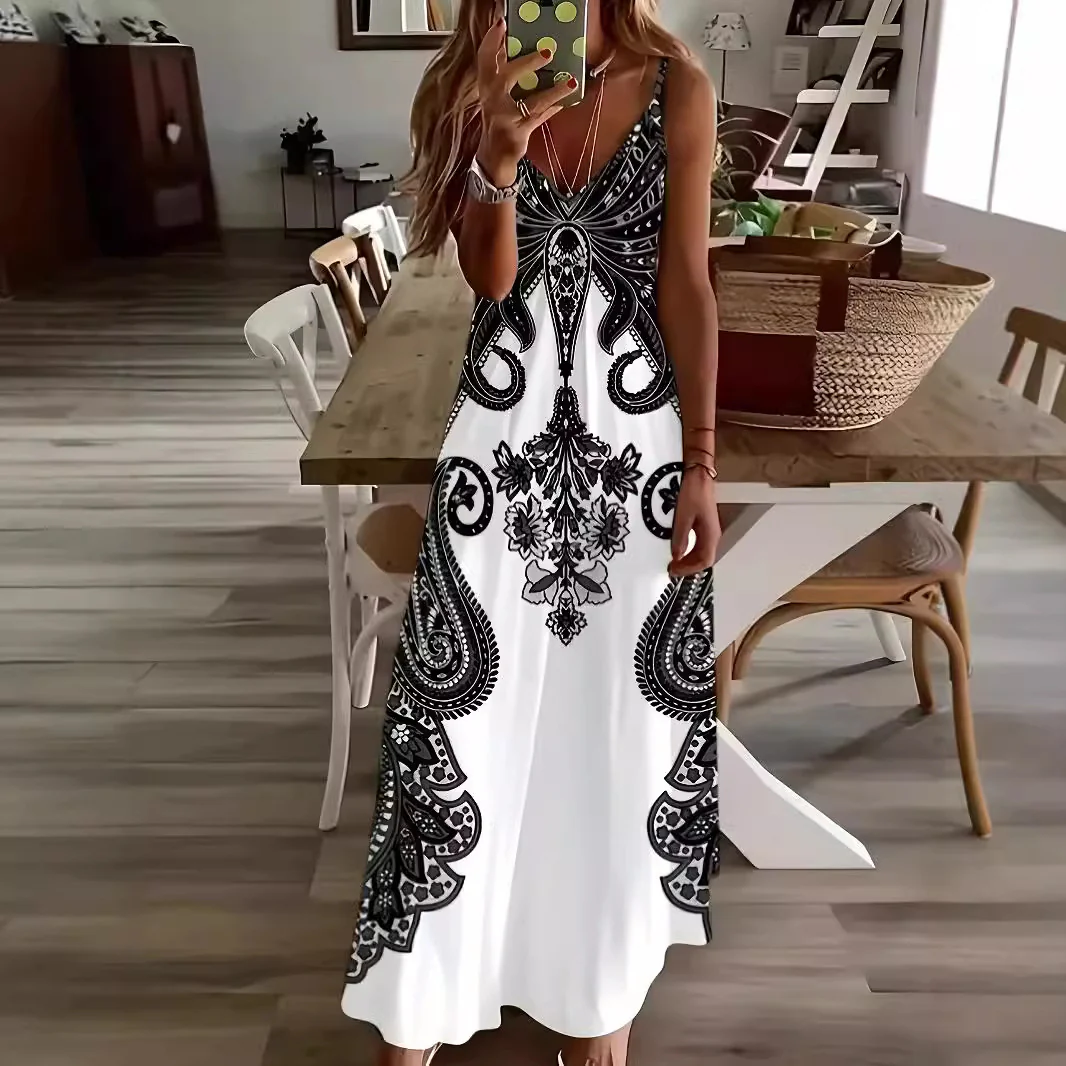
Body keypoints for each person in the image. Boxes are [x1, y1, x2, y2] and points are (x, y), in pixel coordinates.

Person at [342, 2, 721, 1063]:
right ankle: (422, 997)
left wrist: (700, 461)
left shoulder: (678, 88)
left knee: (615, 725)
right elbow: (493, 281)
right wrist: (497, 159)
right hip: (497, 447)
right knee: (461, 719)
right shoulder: (474, 82)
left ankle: (599, 1004)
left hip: (634, 453)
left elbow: (688, 283)